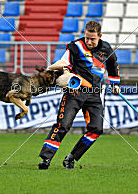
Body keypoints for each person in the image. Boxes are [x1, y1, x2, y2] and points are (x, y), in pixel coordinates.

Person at [38, 20, 121, 170]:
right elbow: (65, 63)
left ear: (100, 36)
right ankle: (46, 159)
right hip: (74, 92)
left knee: (96, 129)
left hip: (94, 95)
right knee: (63, 125)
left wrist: (115, 84)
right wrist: (58, 71)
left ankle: (71, 158)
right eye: (87, 37)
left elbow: (113, 66)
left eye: (93, 39)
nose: (89, 41)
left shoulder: (107, 49)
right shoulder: (75, 47)